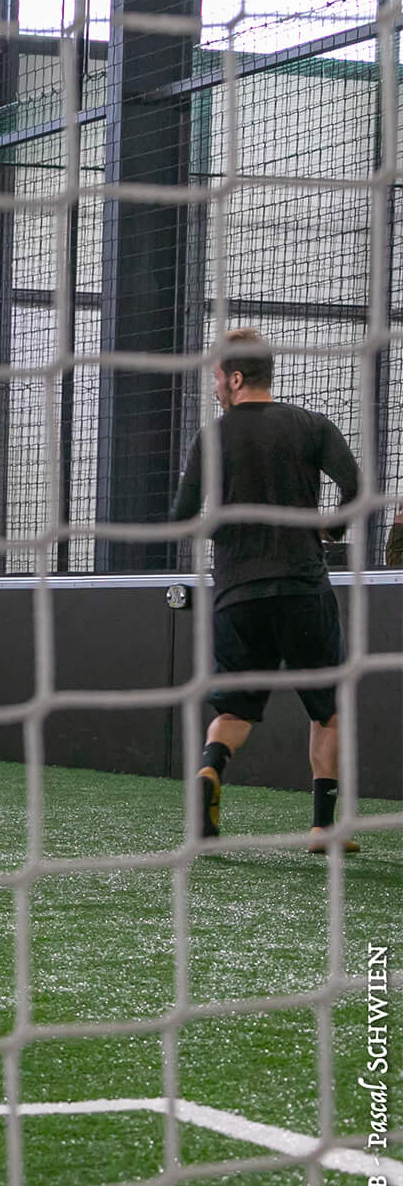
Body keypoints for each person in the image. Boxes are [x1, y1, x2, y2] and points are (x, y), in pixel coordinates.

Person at [173, 330, 364, 853]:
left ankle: (210, 771)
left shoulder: (212, 436)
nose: (215, 388)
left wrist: (225, 528)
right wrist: (333, 528)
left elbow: (181, 516)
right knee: (327, 710)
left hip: (238, 594)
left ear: (235, 378)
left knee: (233, 710)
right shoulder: (310, 425)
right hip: (303, 588)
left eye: (216, 377)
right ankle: (324, 827)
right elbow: (355, 486)